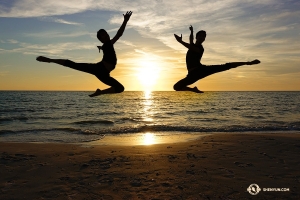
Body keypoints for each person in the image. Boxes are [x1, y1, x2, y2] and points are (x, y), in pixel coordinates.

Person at [36, 11, 133, 97]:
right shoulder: (108, 44)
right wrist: (125, 21)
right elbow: (119, 34)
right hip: (99, 68)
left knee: (120, 88)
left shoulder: (107, 44)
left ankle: (100, 92)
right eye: (103, 35)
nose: (106, 35)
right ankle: (50, 60)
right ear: (101, 39)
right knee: (73, 65)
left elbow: (111, 42)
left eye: (106, 33)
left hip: (104, 74)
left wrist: (101, 47)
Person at [173, 25, 260, 93]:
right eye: (200, 36)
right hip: (192, 74)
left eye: (204, 37)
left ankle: (247, 63)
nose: (202, 38)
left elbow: (191, 46)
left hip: (200, 70)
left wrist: (180, 41)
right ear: (197, 37)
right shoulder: (193, 45)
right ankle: (193, 90)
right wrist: (192, 31)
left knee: (224, 66)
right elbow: (191, 41)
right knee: (176, 87)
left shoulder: (200, 48)